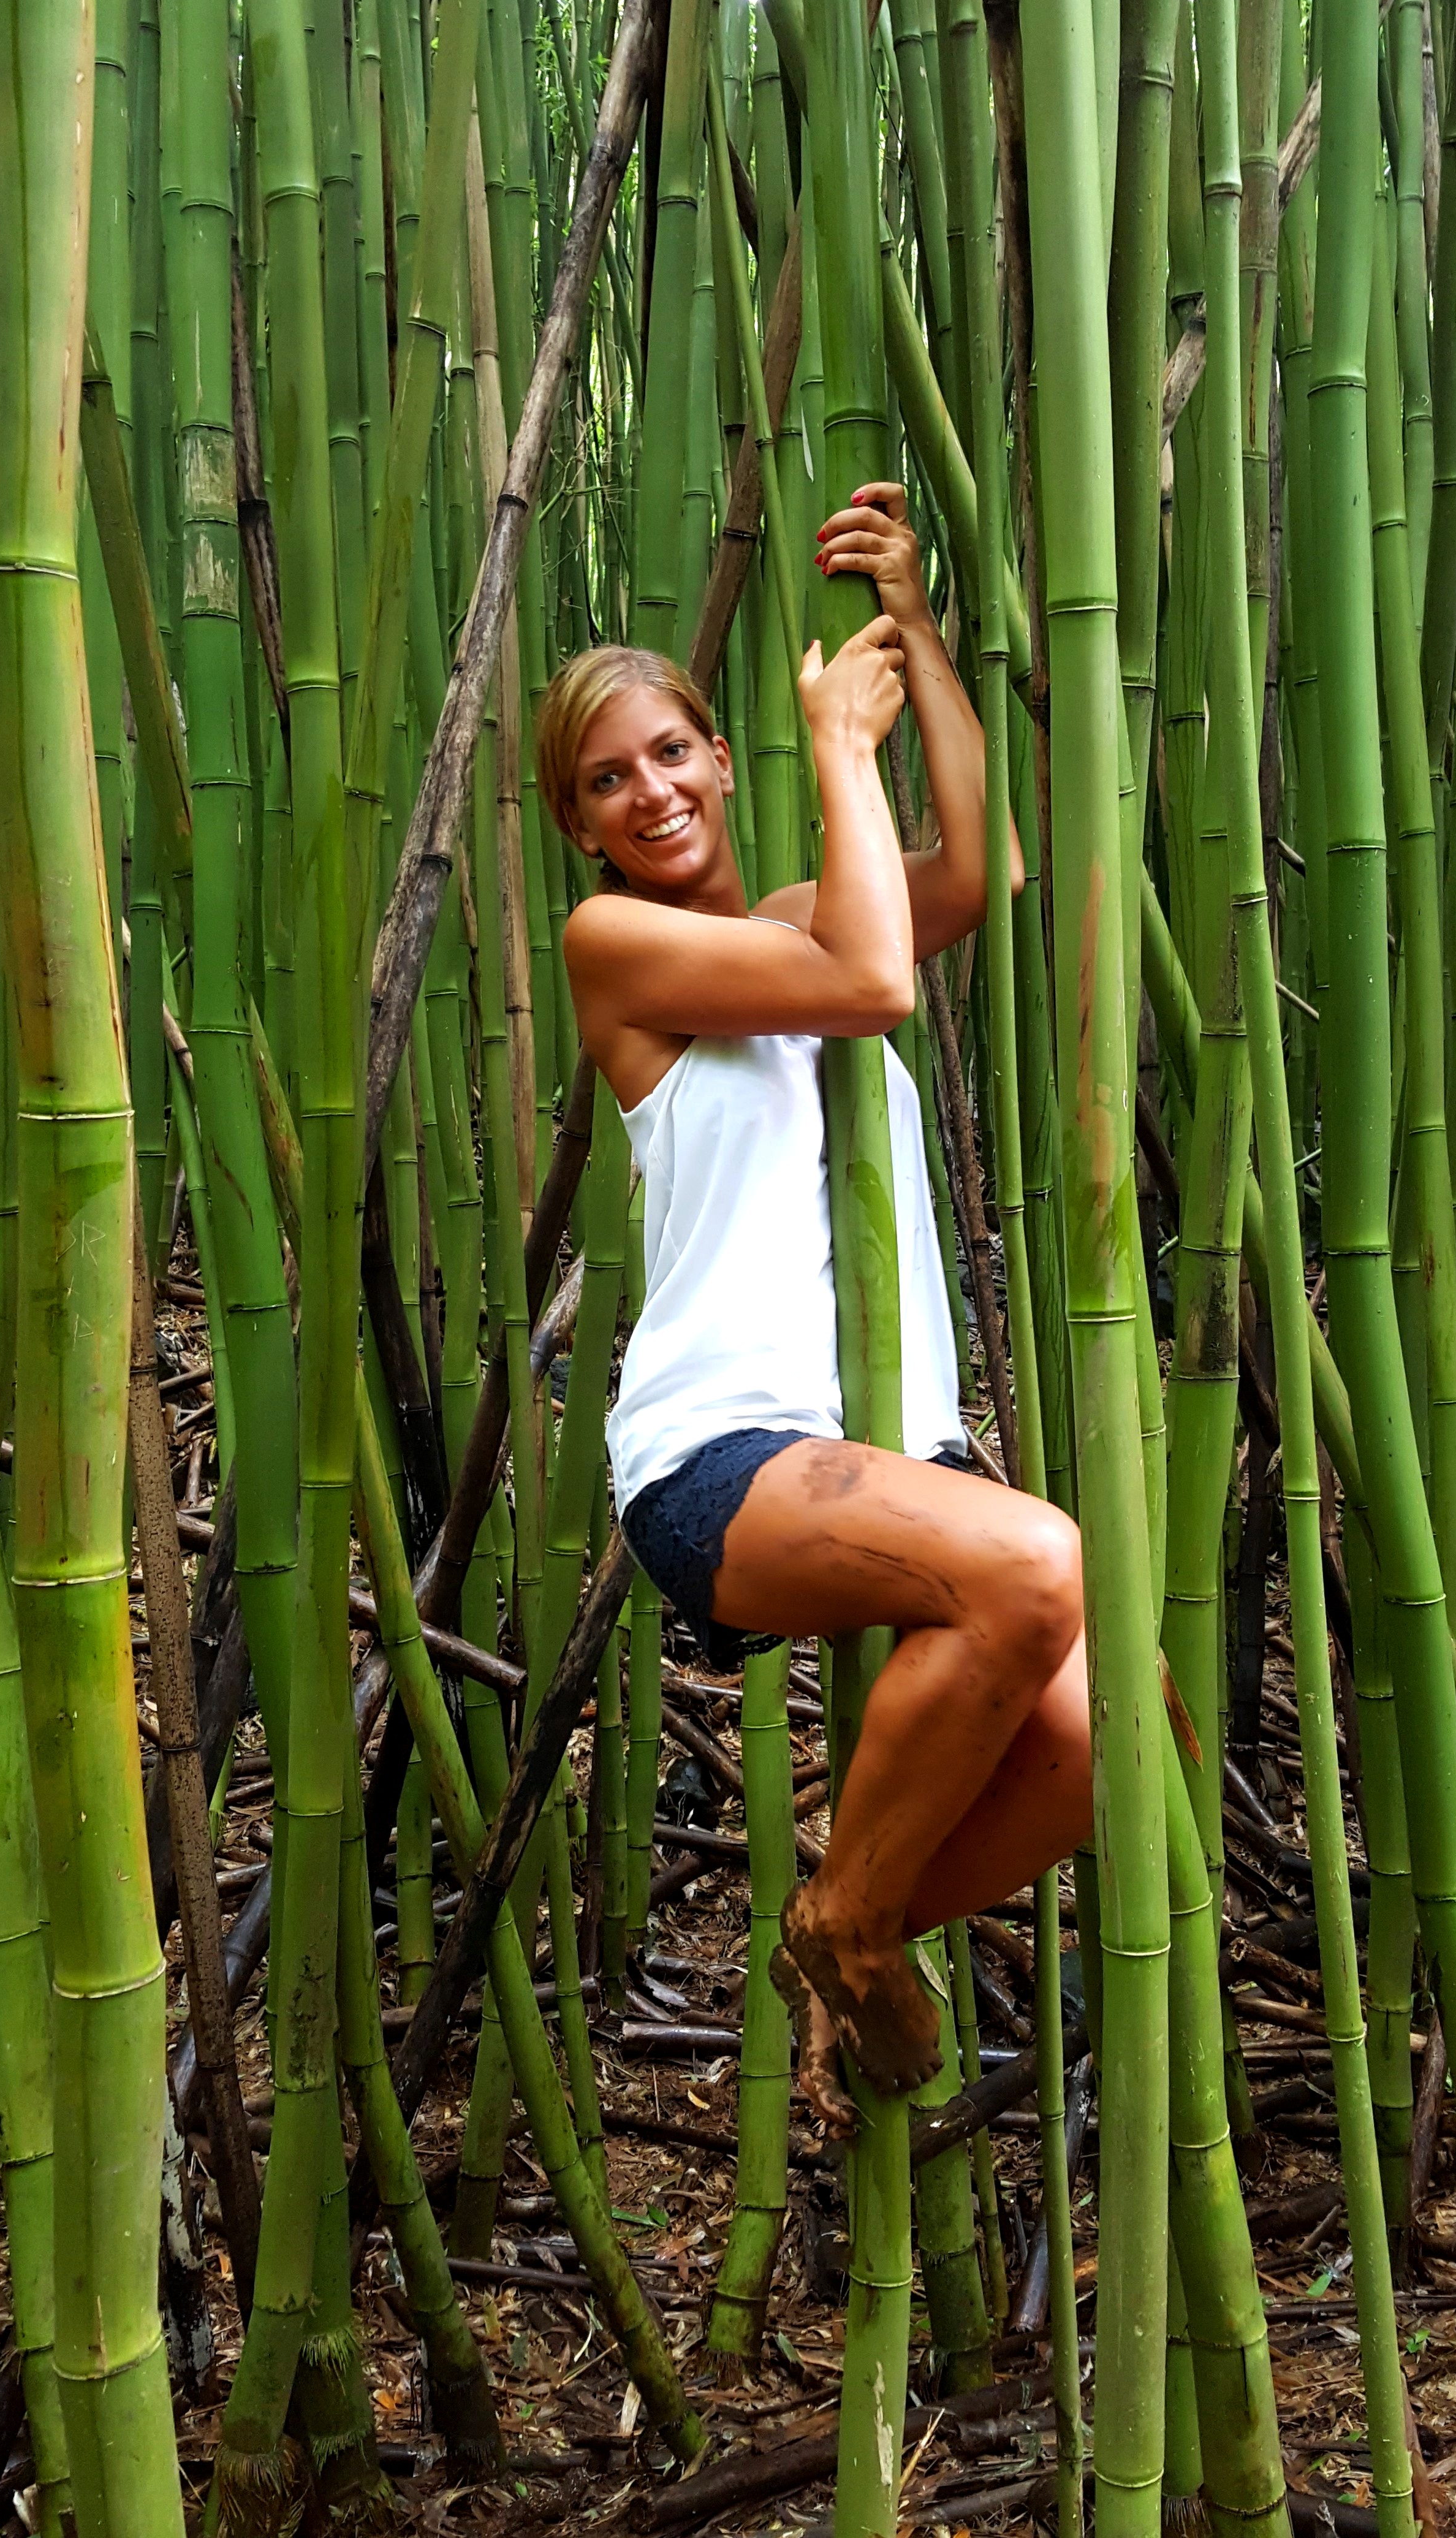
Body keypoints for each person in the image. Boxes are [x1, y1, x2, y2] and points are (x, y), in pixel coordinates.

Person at [537, 484, 1091, 2124]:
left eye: (670, 754)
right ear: (578, 823)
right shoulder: (616, 945)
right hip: (721, 1453)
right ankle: (846, 1921)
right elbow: (872, 986)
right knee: (1038, 1561)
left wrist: (913, 639)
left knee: (1103, 1741)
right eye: (605, 777)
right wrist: (841, 757)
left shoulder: (793, 916)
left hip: (881, 1447)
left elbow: (970, 879)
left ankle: (853, 1922)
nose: (648, 792)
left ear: (718, 762)